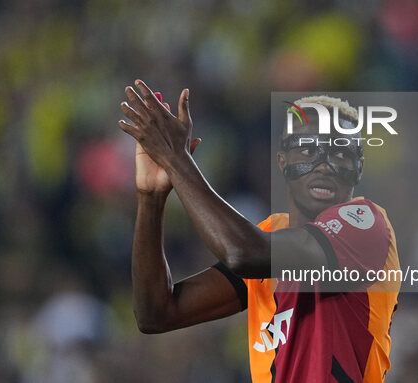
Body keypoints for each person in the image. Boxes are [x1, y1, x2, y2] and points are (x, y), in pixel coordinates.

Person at [118, 79, 400, 382]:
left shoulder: (365, 223)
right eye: (308, 150)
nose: (324, 165)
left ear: (358, 167)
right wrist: (151, 197)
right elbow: (156, 314)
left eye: (341, 152)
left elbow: (242, 254)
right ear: (283, 161)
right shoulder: (269, 234)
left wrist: (176, 159)